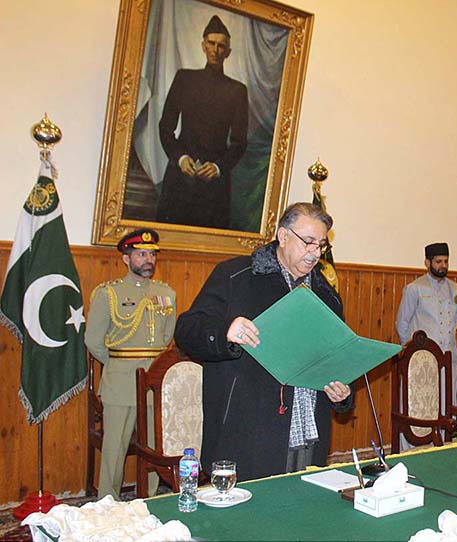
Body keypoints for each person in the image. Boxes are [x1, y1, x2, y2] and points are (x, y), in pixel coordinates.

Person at [174, 203, 352, 481]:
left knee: (300, 513)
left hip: (308, 430)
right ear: (282, 236)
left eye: (321, 245)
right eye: (308, 242)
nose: (315, 253)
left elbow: (335, 358)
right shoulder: (236, 276)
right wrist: (225, 332)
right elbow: (187, 330)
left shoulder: (327, 294)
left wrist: (342, 394)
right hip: (246, 430)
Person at [84, 229, 176, 499]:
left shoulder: (166, 294)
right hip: (121, 381)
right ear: (126, 259)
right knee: (115, 447)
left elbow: (167, 336)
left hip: (154, 383)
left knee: (152, 446)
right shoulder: (108, 294)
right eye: (141, 254)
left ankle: (148, 498)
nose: (148, 259)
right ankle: (107, 501)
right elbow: (94, 341)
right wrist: (117, 364)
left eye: (151, 254)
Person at [156, 15, 249, 229]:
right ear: (203, 45)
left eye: (221, 46)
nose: (216, 50)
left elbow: (239, 143)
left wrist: (218, 167)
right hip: (180, 178)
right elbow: (165, 128)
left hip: (214, 186)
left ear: (228, 52)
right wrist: (180, 158)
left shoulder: (236, 91)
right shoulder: (184, 79)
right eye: (211, 43)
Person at [395, 242, 457, 405]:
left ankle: (444, 432)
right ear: (428, 263)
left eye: (446, 261)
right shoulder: (415, 288)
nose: (443, 266)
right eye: (438, 262)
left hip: (448, 356)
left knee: (447, 403)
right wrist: (410, 350)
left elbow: (455, 321)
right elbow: (402, 322)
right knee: (421, 403)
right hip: (422, 357)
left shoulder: (456, 289)